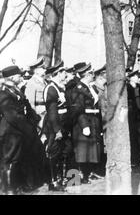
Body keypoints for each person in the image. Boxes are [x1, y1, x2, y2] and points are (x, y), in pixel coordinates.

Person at [0, 65, 46, 194]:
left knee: (21, 159)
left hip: (20, 130)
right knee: (10, 160)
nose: (21, 76)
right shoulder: (3, 92)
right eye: (19, 75)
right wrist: (28, 129)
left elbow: (27, 107)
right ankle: (8, 189)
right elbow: (12, 116)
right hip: (10, 132)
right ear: (12, 77)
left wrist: (36, 120)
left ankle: (20, 185)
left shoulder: (15, 90)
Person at [69, 63, 103, 183]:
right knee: (83, 150)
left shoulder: (91, 87)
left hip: (93, 119)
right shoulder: (77, 89)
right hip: (84, 121)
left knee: (91, 149)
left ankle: (88, 173)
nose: (92, 75)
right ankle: (82, 175)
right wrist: (84, 125)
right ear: (86, 74)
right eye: (91, 73)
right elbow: (78, 109)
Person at [42, 61, 71, 191]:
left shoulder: (59, 87)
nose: (65, 75)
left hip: (63, 124)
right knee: (54, 154)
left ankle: (62, 179)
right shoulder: (51, 89)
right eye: (63, 72)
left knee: (64, 152)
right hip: (54, 126)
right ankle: (53, 183)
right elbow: (52, 112)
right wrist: (57, 130)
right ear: (58, 73)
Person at [24, 57, 47, 131]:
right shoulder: (32, 82)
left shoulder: (44, 81)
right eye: (43, 68)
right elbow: (30, 103)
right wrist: (35, 117)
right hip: (39, 113)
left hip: (46, 112)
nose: (45, 70)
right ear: (36, 70)